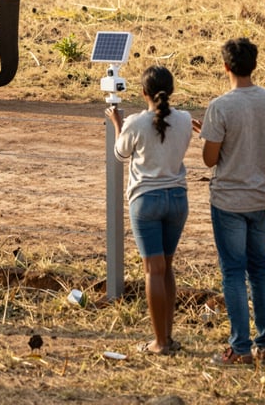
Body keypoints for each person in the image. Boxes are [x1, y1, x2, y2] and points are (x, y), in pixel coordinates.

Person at [192, 38, 265, 365]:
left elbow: (209, 160)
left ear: (225, 66)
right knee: (259, 268)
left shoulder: (220, 106)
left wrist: (207, 137)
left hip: (229, 200)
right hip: (260, 196)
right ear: (254, 65)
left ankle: (240, 347)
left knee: (233, 272)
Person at [106, 66, 191, 355]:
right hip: (177, 199)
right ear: (172, 90)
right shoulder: (185, 120)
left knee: (152, 270)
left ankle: (159, 343)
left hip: (146, 200)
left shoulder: (135, 122)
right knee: (166, 267)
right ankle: (168, 336)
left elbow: (120, 154)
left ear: (143, 92)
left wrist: (117, 125)